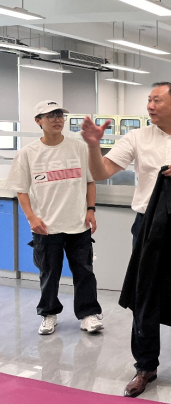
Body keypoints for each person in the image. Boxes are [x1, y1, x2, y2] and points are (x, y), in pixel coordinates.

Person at [80, 82, 171, 398]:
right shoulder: (136, 137)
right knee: (144, 293)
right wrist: (93, 146)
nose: (150, 105)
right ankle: (145, 366)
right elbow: (102, 172)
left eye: (157, 100)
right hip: (148, 225)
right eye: (148, 100)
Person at [5, 100, 103, 336]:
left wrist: (91, 210)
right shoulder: (28, 153)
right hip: (46, 226)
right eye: (50, 115)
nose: (57, 119)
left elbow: (90, 181)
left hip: (78, 223)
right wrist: (31, 218)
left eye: (60, 115)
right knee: (49, 274)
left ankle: (88, 314)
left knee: (84, 272)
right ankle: (48, 314)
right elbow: (21, 190)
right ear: (38, 121)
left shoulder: (79, 148)